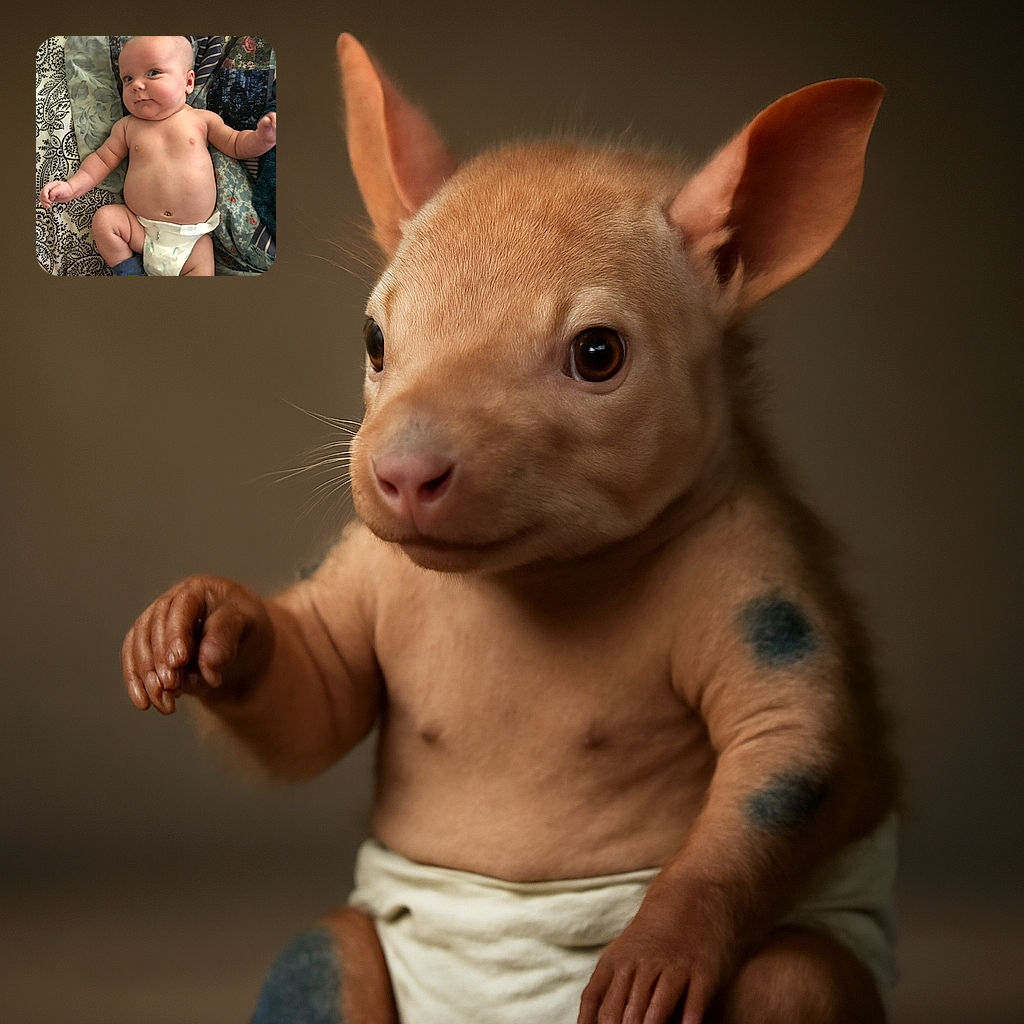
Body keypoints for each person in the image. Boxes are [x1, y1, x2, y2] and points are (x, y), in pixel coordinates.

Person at [38, 35, 276, 276]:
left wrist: (262, 138)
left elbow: (236, 144)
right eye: (128, 78)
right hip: (140, 230)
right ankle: (129, 273)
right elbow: (101, 160)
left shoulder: (202, 120)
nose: (136, 85)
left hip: (193, 240)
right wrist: (72, 187)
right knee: (105, 220)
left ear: (188, 82)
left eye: (153, 73)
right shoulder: (127, 127)